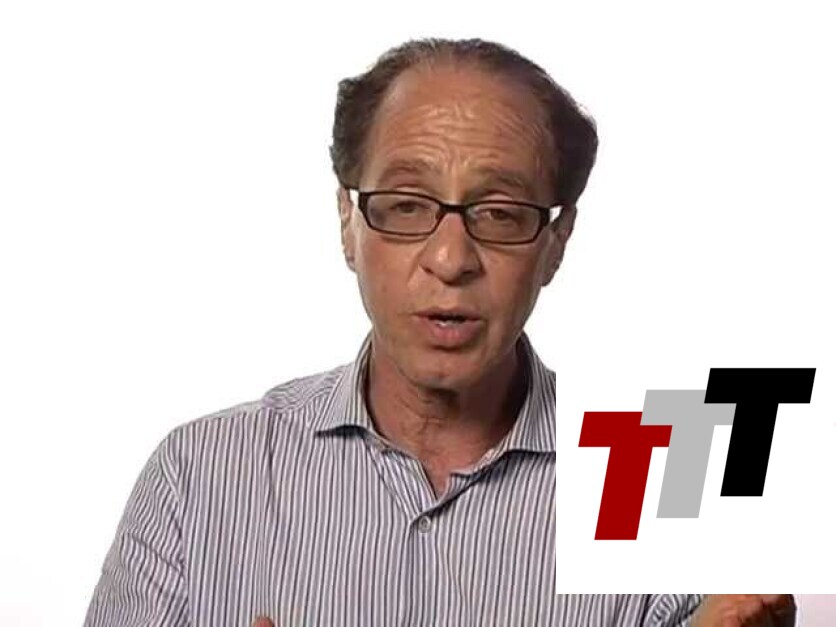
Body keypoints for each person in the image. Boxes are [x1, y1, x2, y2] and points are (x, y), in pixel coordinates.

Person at [84, 38, 794, 626]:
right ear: (348, 222)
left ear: (557, 242)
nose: (451, 258)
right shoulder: (200, 475)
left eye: (500, 213)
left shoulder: (678, 471)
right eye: (405, 204)